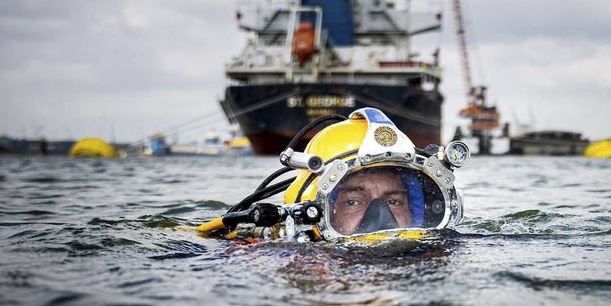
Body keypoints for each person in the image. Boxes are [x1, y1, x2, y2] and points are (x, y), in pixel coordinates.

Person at [197, 107, 469, 243]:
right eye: (353, 201)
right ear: (314, 209)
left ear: (418, 209)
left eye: (394, 201)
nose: (380, 218)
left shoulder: (440, 256)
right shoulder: (284, 257)